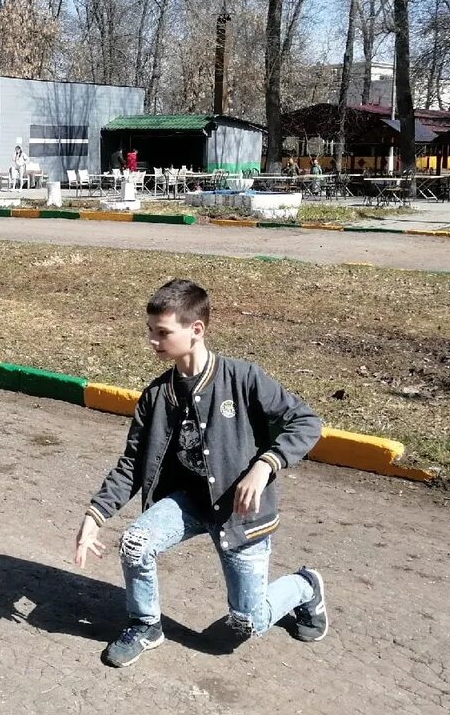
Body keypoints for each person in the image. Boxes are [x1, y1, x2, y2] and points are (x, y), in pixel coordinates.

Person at [73, 279, 328, 668]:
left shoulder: (243, 379)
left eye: (162, 333)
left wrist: (265, 465)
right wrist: (96, 514)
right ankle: (146, 625)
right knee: (135, 543)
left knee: (247, 621)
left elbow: (306, 422)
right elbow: (133, 464)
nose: (153, 341)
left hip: (239, 513)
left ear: (196, 330)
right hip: (189, 501)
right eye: (150, 332)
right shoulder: (157, 395)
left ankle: (305, 585)